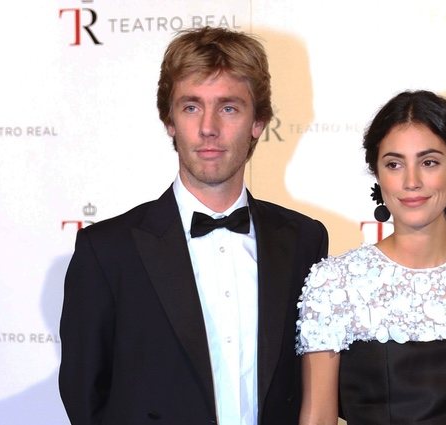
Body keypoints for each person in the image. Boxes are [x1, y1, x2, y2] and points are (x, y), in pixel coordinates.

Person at [59, 26, 328, 425]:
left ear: (259, 122)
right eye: (191, 107)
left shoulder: (305, 240)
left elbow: (315, 386)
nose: (208, 128)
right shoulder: (106, 251)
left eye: (229, 108)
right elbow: (85, 396)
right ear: (169, 120)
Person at [296, 90, 446, 425]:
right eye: (394, 164)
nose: (411, 182)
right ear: (377, 175)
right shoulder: (336, 284)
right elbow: (318, 417)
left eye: (429, 162)